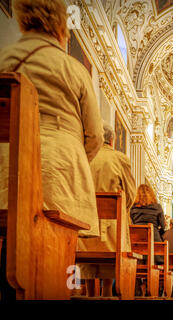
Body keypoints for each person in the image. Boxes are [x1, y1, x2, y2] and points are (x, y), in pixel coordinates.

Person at [0, 0, 103, 299]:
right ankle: (59, 291)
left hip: (4, 165)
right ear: (61, 27)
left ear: (23, 20)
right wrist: (73, 159)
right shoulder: (73, 68)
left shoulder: (4, 58)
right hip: (59, 165)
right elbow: (94, 136)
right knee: (58, 244)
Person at [77, 123, 136, 297]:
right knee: (112, 242)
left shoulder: (84, 156)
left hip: (85, 220)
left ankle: (89, 292)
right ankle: (107, 291)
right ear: (112, 140)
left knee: (86, 245)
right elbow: (131, 194)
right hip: (112, 224)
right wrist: (121, 206)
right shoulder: (119, 158)